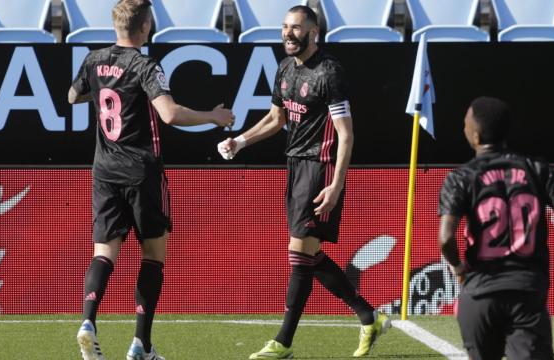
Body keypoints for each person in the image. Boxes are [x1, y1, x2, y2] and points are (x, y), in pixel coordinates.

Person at [218, 5, 389, 359]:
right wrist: (241, 141)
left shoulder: (329, 72)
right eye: (284, 27)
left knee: (298, 254)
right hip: (296, 166)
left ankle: (282, 343)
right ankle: (367, 315)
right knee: (308, 255)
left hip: (320, 166)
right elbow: (275, 119)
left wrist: (337, 184)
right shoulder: (284, 69)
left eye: (296, 28)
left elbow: (346, 134)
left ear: (313, 32)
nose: (288, 33)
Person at [68, 1, 234, 359]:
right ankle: (140, 343)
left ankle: (87, 321)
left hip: (104, 171)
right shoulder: (145, 65)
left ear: (116, 26)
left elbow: (71, 95)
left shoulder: (94, 60)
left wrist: (99, 91)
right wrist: (214, 116)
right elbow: (170, 114)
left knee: (104, 253)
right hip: (141, 172)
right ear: (144, 27)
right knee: (154, 256)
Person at [438, 97, 554, 360]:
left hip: (480, 291)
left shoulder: (461, 177)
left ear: (476, 135)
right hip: (526, 291)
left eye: (465, 124)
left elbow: (446, 238)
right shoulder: (538, 169)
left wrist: (458, 268)